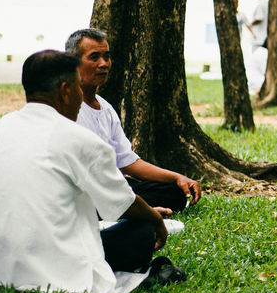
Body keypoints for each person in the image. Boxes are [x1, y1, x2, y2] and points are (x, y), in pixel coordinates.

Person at [0, 51, 179, 293]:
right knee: (141, 232)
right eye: (78, 86)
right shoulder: (80, 139)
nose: (81, 95)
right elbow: (122, 203)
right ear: (65, 91)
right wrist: (154, 219)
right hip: (50, 263)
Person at [65, 28, 202, 213]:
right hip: (84, 191)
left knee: (174, 192)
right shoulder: (66, 107)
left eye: (106, 57)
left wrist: (177, 178)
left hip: (113, 188)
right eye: (94, 57)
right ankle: (135, 211)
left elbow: (128, 162)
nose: (103, 64)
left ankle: (132, 209)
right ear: (73, 62)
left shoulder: (105, 108)